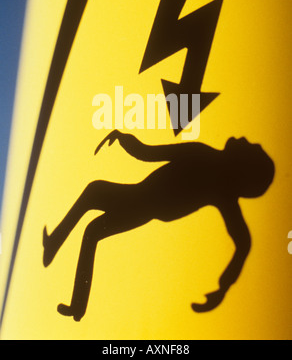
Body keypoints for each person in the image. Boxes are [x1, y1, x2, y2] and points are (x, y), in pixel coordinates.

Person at [43, 131, 275, 321]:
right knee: (92, 224)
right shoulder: (214, 176)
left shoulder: (213, 173)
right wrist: (124, 139)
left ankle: (72, 290)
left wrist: (223, 288)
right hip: (144, 200)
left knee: (93, 208)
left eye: (251, 147)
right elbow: (148, 152)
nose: (246, 139)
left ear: (243, 168)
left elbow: (147, 153)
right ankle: (75, 297)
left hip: (143, 202)